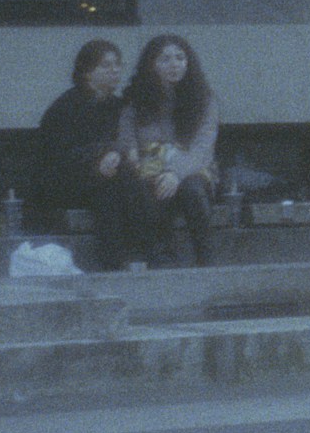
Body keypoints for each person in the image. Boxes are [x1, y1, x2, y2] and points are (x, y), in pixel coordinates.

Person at [110, 34, 222, 267]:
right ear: (151, 64)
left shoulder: (204, 99)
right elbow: (126, 139)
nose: (174, 65)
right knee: (146, 190)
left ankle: (206, 260)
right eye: (165, 59)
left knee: (192, 191)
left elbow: (202, 149)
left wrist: (174, 173)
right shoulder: (135, 100)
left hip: (192, 169)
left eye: (180, 58)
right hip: (148, 169)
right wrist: (133, 158)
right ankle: (160, 260)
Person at [28, 39, 127, 251]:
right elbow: (58, 156)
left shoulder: (118, 106)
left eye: (117, 64)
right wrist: (99, 160)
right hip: (64, 180)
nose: (115, 70)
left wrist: (115, 153)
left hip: (106, 173)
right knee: (108, 190)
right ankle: (115, 259)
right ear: (87, 72)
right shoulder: (67, 107)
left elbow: (127, 140)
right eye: (106, 65)